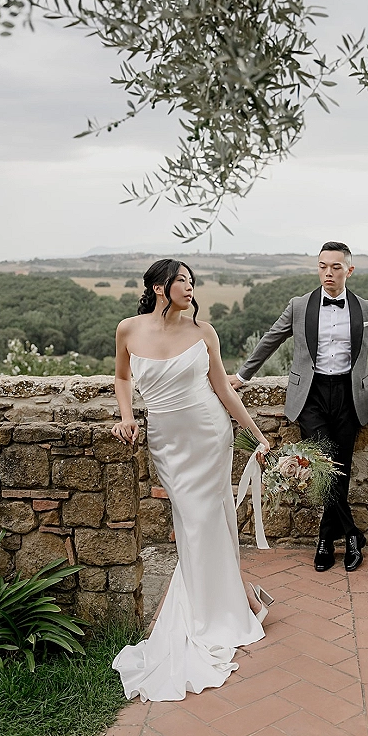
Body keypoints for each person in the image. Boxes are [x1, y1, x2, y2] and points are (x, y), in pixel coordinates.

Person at [230, 241, 368, 573]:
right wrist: (242, 375)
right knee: (324, 468)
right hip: (311, 396)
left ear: (349, 270)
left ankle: (326, 540)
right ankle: (351, 536)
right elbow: (271, 338)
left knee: (341, 469)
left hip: (350, 397)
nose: (328, 273)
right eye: (322, 266)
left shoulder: (365, 309)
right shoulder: (299, 305)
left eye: (335, 267)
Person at [110, 258, 273, 703]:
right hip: (166, 441)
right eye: (181, 280)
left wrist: (258, 436)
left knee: (206, 521)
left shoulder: (204, 332)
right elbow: (123, 377)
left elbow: (222, 388)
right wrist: (126, 418)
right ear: (159, 287)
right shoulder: (128, 329)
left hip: (209, 435)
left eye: (192, 281)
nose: (190, 286)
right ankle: (241, 600)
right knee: (195, 523)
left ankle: (224, 609)